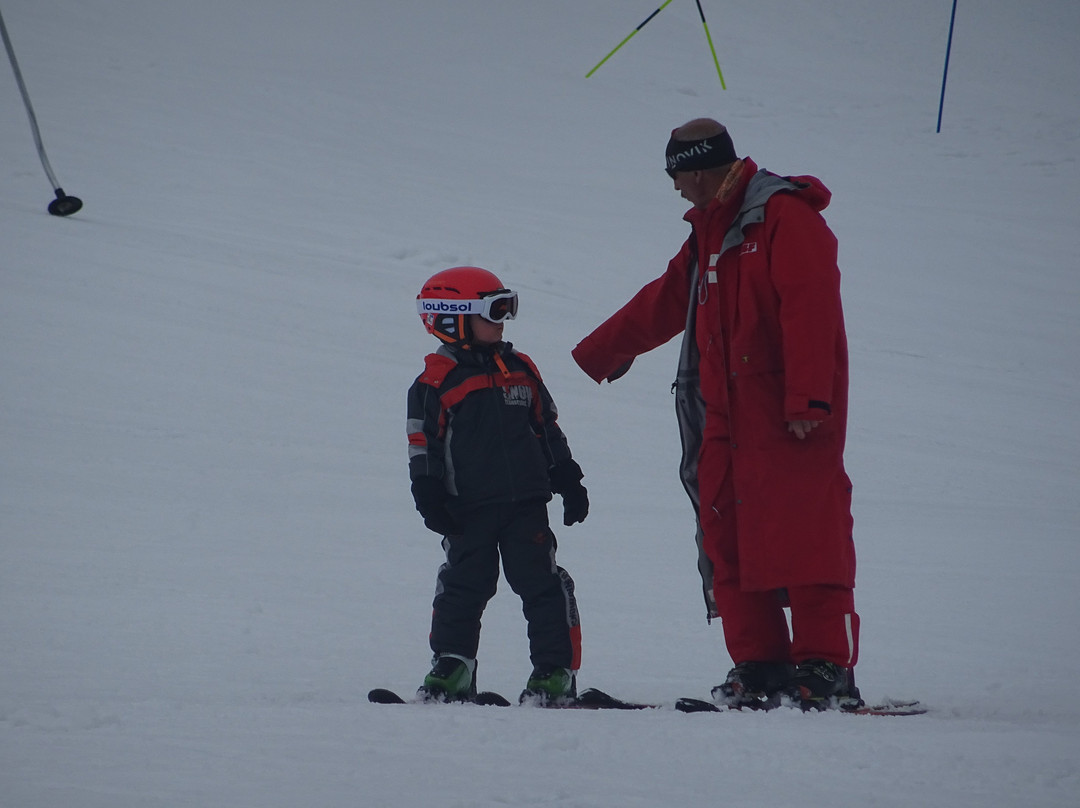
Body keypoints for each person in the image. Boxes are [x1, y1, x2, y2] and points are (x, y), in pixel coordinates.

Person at [571, 118, 862, 710]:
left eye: (677, 176)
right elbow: (669, 297)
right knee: (727, 533)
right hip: (724, 416)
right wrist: (606, 350)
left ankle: (826, 669)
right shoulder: (711, 229)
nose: (675, 189)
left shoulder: (785, 217)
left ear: (700, 171)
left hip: (789, 413)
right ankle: (759, 665)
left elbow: (811, 308)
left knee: (806, 535)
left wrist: (808, 398)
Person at [407, 266, 589, 704]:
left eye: (507, 308)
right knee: (463, 585)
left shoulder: (519, 369)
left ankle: (554, 671)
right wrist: (428, 492)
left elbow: (547, 427)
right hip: (466, 509)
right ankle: (453, 665)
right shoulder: (434, 383)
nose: (502, 321)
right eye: (494, 311)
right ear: (452, 319)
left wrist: (567, 475)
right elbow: (422, 444)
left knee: (541, 584)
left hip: (526, 504)